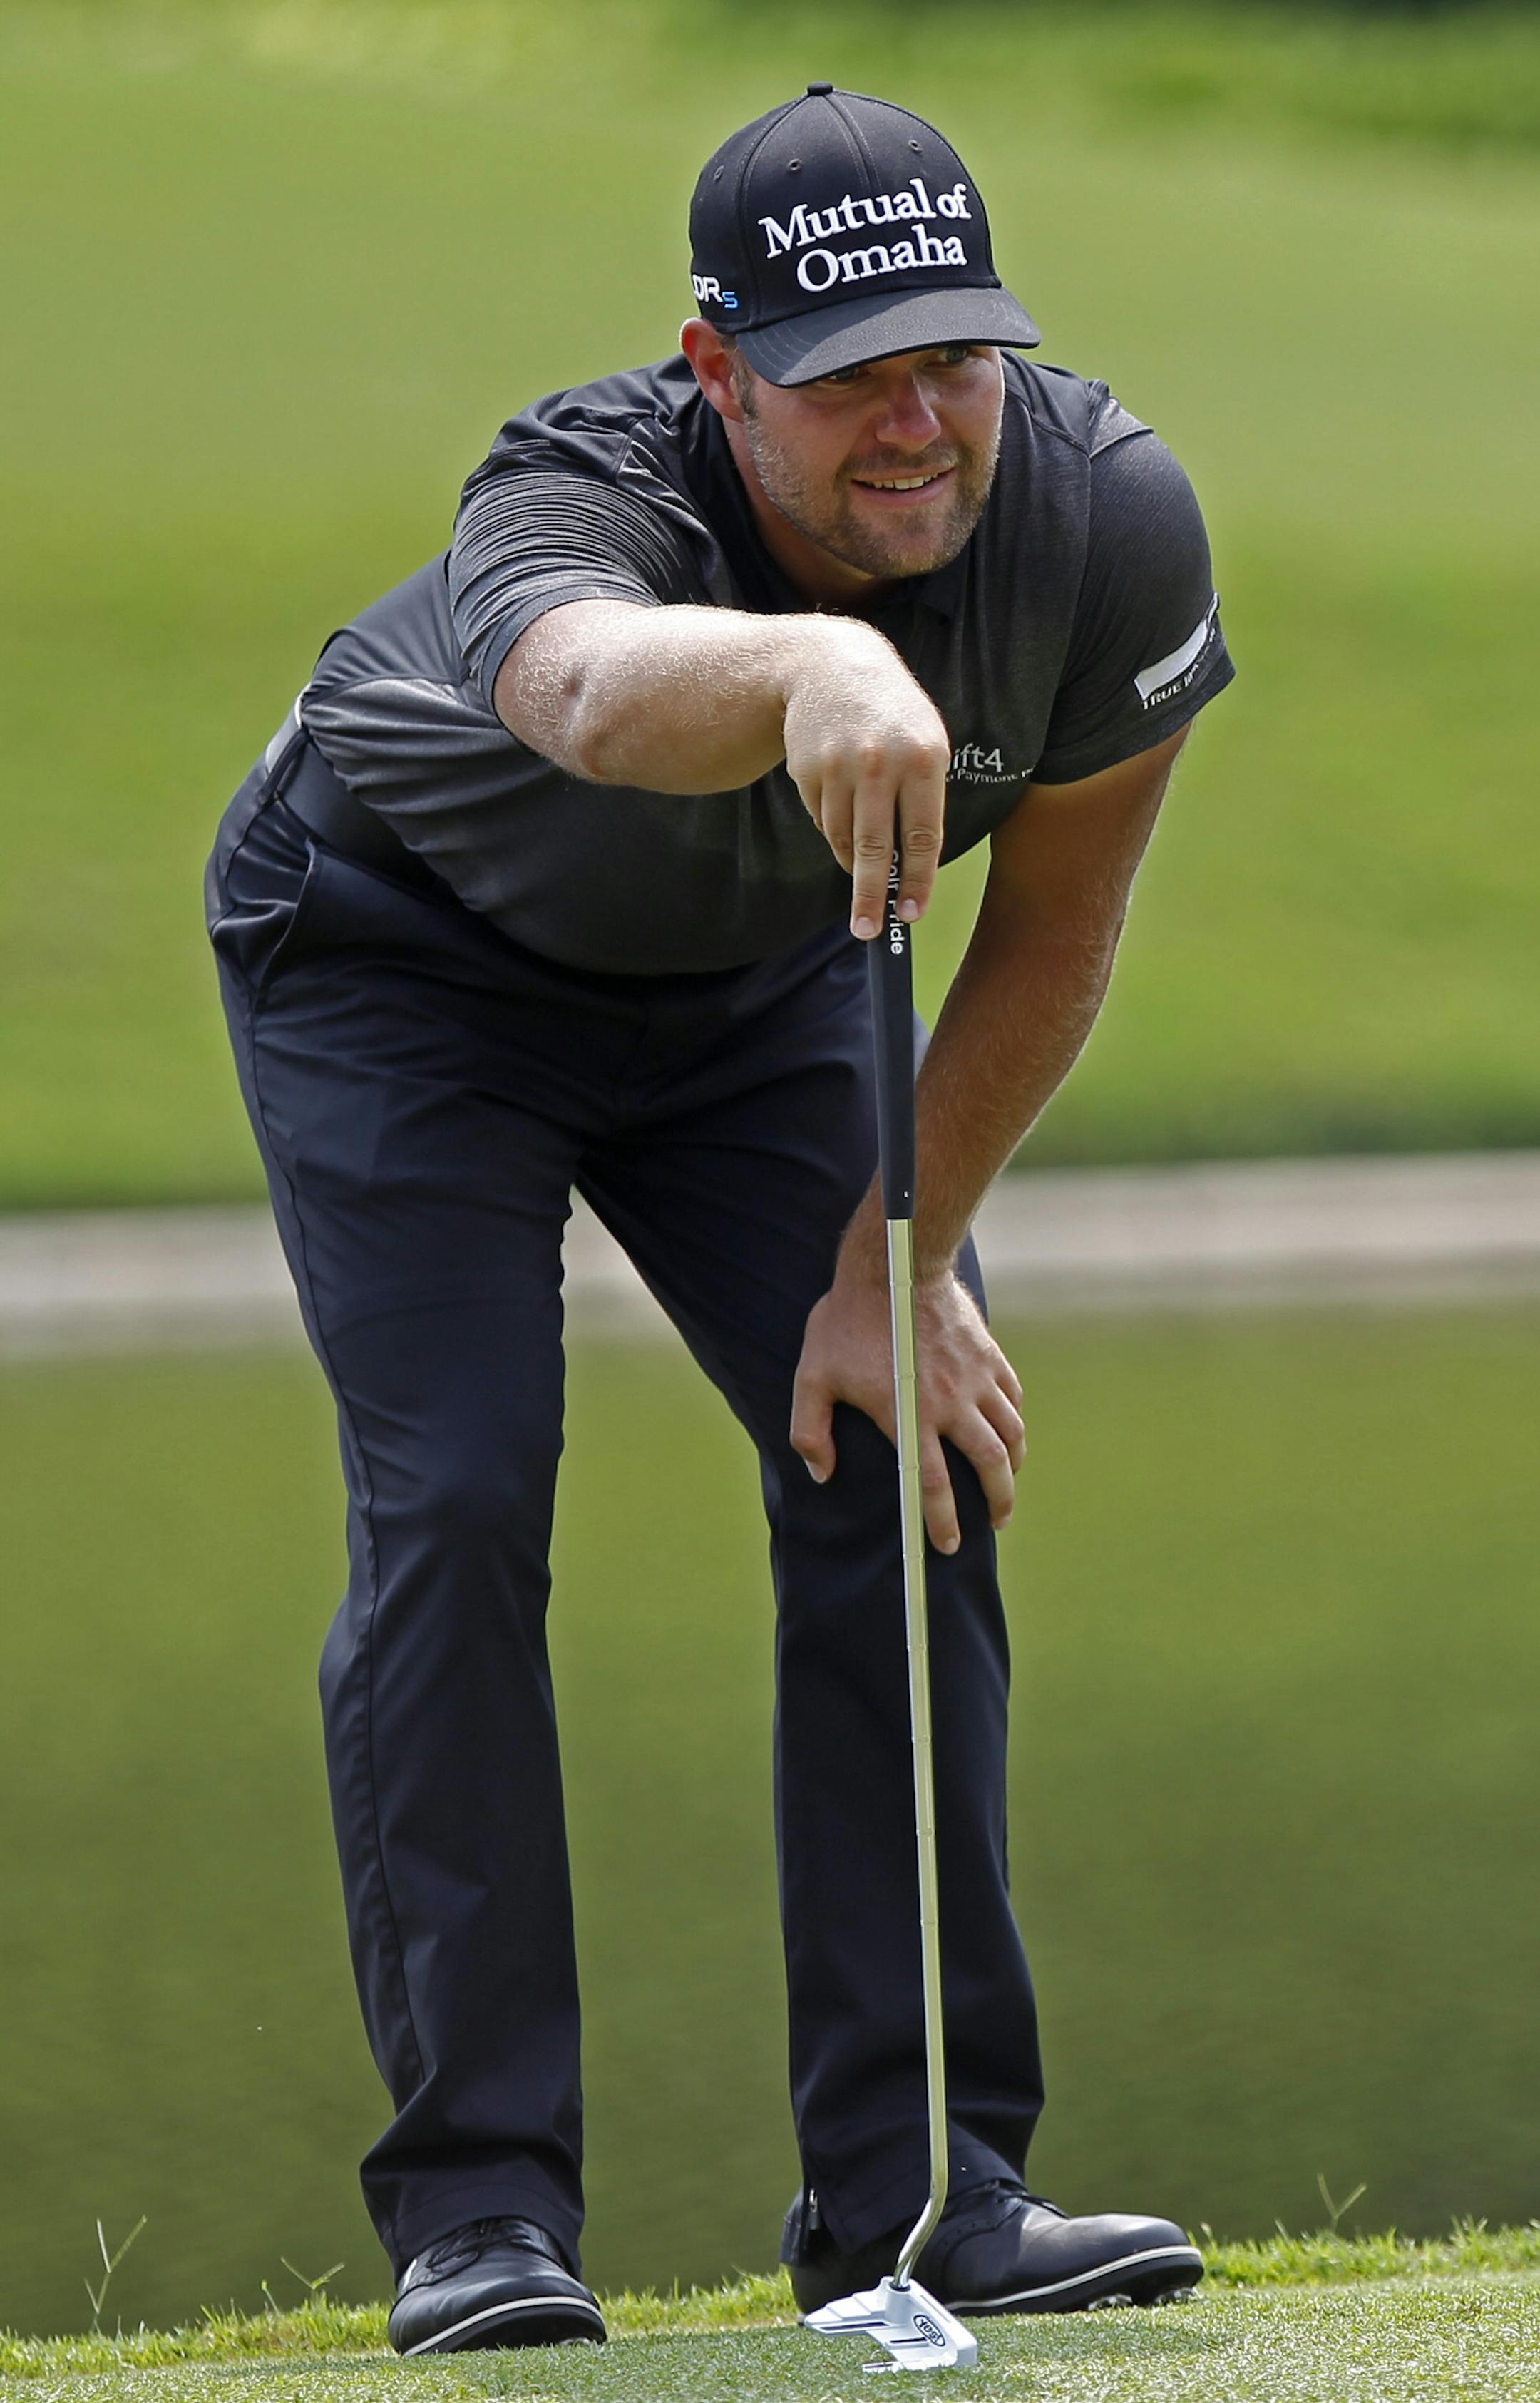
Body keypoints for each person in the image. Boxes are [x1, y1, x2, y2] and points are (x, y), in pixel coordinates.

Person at [206, 84, 1233, 2358]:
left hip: (757, 978)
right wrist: (807, 667)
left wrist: (901, 1260)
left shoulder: (1104, 522)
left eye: (953, 356)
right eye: (850, 370)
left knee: (908, 1455)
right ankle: (481, 2210)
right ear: (714, 368)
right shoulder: (571, 488)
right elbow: (578, 685)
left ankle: (925, 2185)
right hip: (397, 954)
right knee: (461, 1494)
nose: (916, 421)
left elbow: (1055, 930)